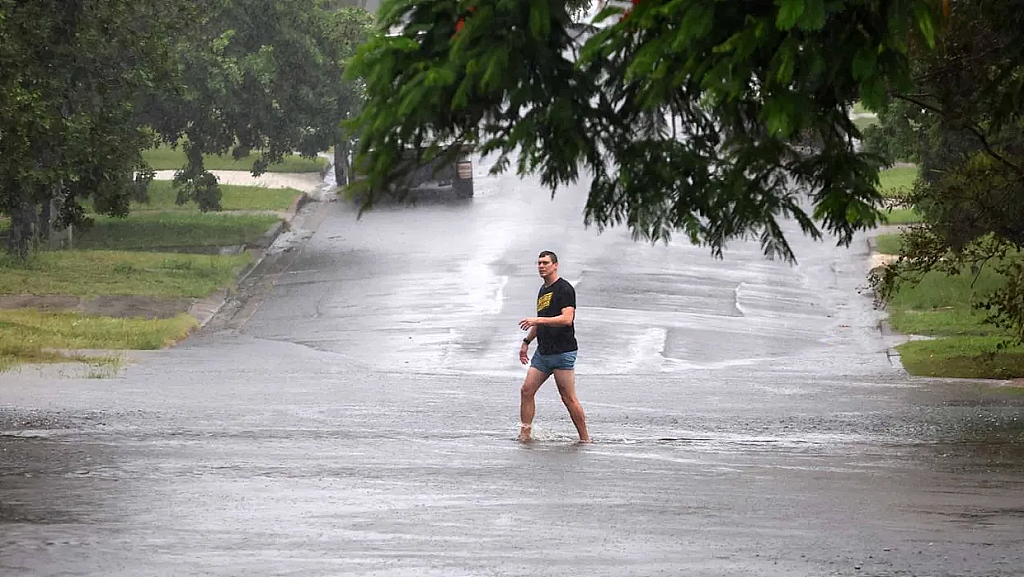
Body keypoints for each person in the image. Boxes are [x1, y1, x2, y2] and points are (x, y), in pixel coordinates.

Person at [517, 251, 590, 443]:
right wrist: (526, 342)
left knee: (568, 398)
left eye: (545, 263)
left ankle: (585, 438)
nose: (541, 266)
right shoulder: (543, 290)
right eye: (539, 263)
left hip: (562, 352)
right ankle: (524, 434)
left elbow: (567, 319)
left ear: (555, 265)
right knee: (526, 390)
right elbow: (542, 321)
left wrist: (537, 319)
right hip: (543, 352)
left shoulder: (564, 289)